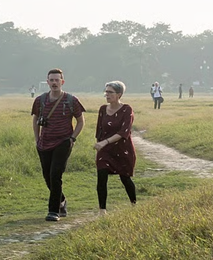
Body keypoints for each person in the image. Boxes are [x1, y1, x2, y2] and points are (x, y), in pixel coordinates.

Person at [31, 68, 86, 222]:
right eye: (51, 80)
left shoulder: (71, 100)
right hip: (44, 142)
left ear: (62, 82)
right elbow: (35, 120)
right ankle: (61, 200)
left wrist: (72, 138)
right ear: (47, 82)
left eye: (57, 80)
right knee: (47, 176)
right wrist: (37, 139)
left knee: (55, 175)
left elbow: (80, 121)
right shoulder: (40, 100)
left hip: (63, 142)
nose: (54, 83)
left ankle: (53, 211)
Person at [94, 81, 137, 214]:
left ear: (119, 94)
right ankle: (102, 210)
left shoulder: (127, 110)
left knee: (125, 178)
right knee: (101, 176)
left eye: (110, 92)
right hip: (105, 150)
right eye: (106, 92)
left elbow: (124, 132)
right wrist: (100, 144)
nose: (107, 95)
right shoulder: (103, 109)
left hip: (122, 149)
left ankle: (134, 205)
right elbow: (99, 130)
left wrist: (105, 142)